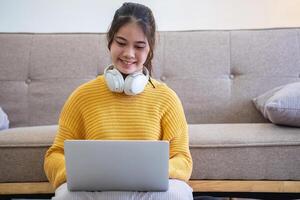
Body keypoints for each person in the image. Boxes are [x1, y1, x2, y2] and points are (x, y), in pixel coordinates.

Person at [44, 2, 193, 200]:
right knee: (66, 197)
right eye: (121, 43)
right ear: (110, 43)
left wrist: (151, 171)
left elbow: (183, 159)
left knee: (178, 195)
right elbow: (54, 156)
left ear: (149, 49)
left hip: (148, 191)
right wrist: (78, 173)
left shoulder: (166, 98)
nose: (129, 54)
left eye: (139, 46)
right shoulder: (82, 96)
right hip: (96, 190)